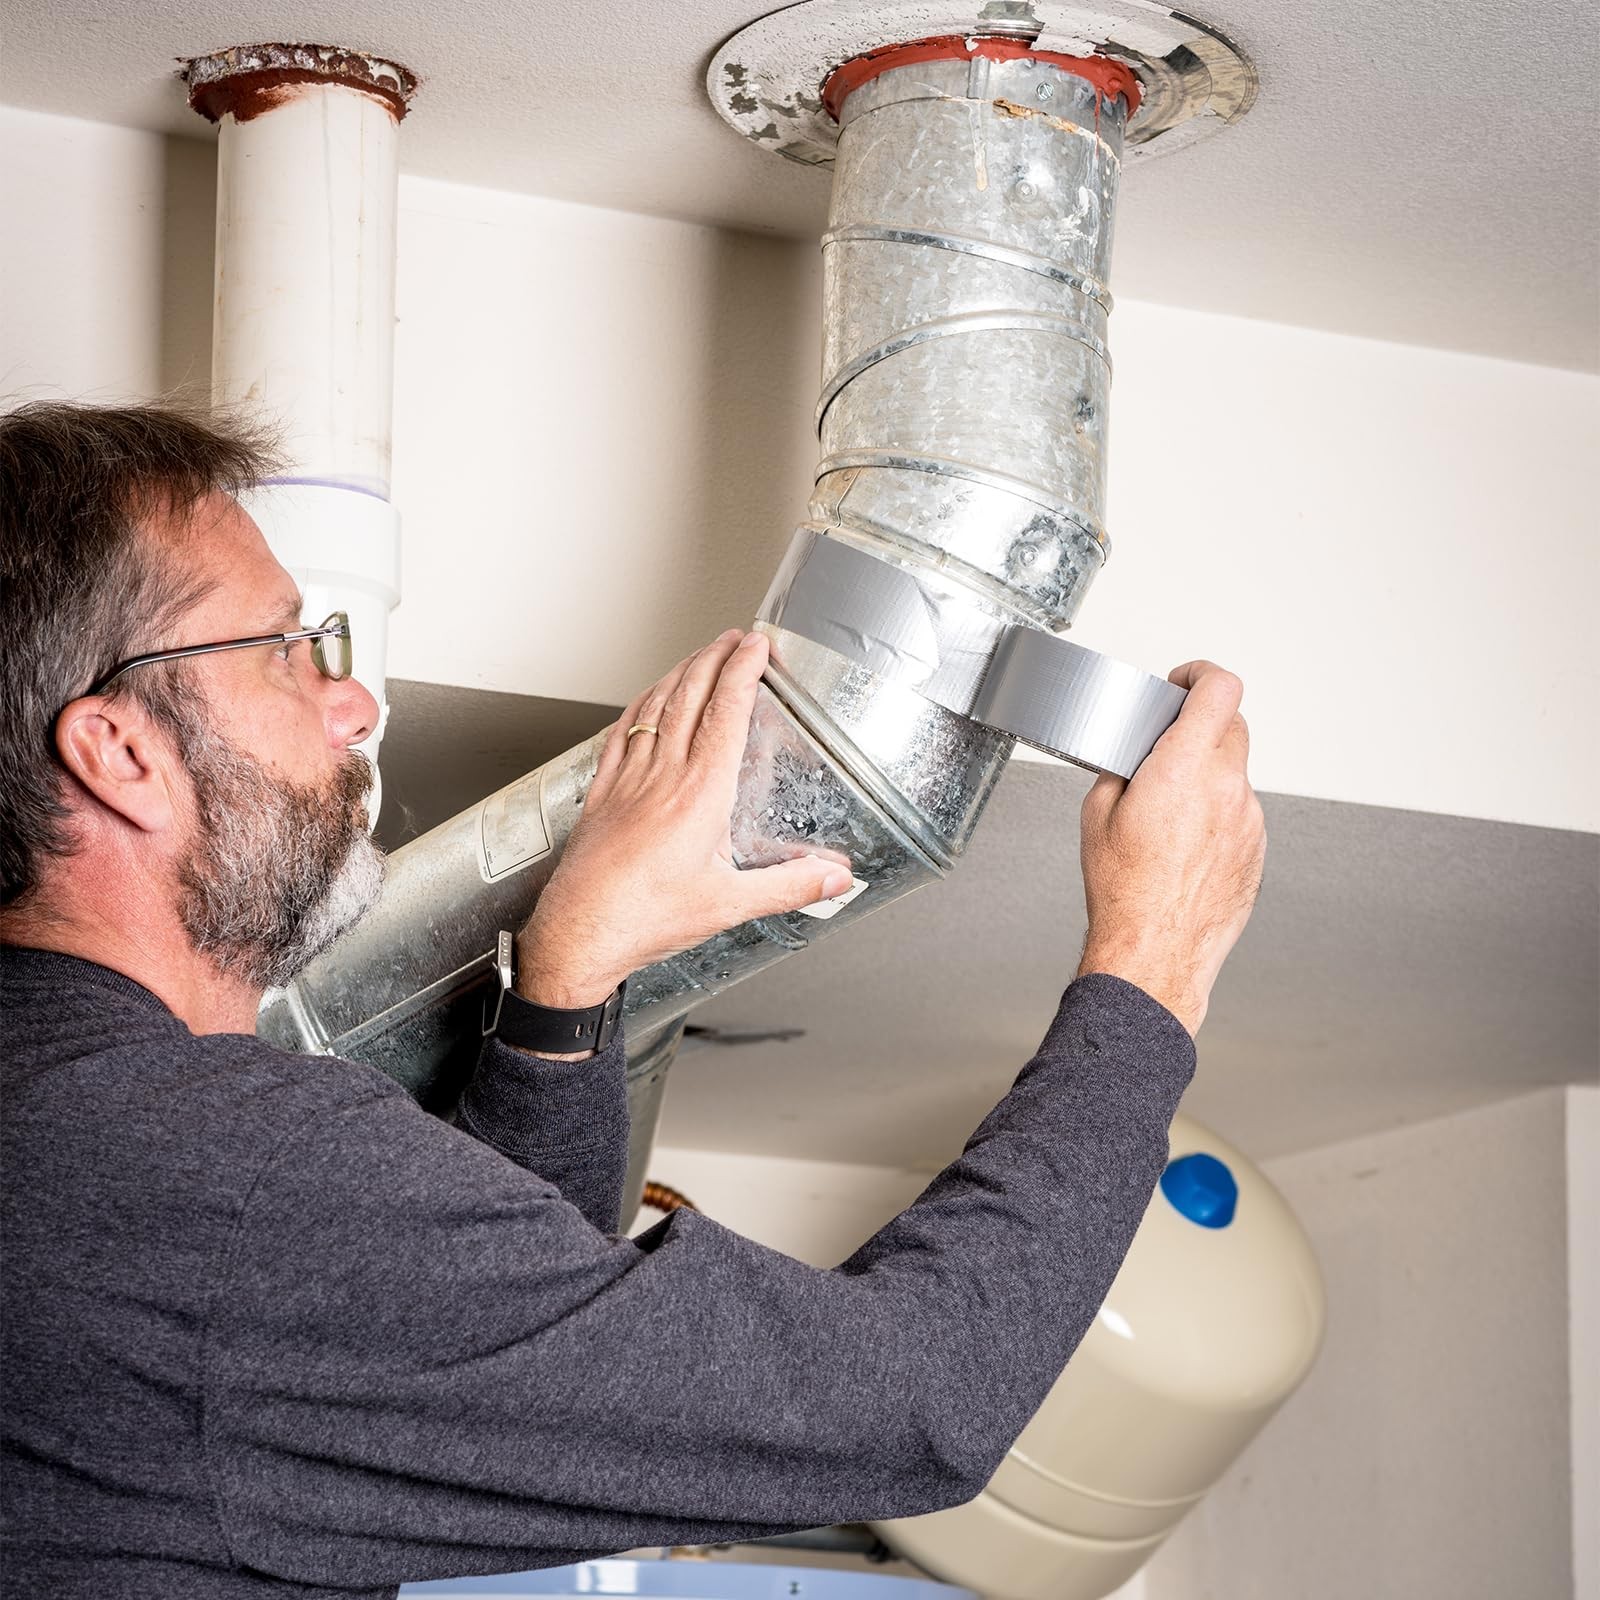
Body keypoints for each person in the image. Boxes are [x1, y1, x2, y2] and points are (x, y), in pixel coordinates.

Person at [0, 402, 1266, 1599]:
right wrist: (1154, 959)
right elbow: (910, 1404)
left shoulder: (96, 1150)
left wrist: (565, 983)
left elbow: (488, 1377)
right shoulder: (214, 1177)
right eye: (285, 649)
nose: (353, 701)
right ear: (121, 750)